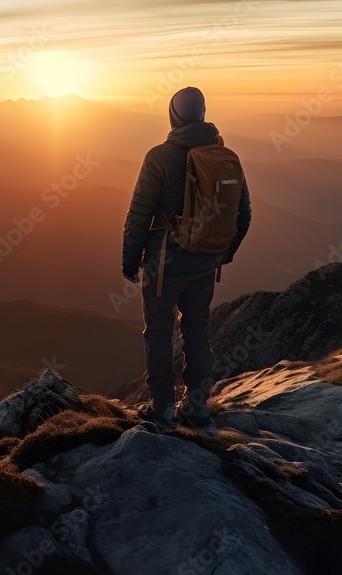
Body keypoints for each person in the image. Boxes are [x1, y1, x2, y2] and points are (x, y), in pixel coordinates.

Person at [121, 87, 251, 428]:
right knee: (197, 330)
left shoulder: (159, 156)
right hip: (206, 262)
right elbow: (244, 214)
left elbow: (139, 213)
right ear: (204, 114)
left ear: (172, 115)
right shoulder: (224, 156)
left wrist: (129, 260)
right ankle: (198, 407)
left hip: (165, 264)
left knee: (159, 332)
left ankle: (162, 407)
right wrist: (223, 254)